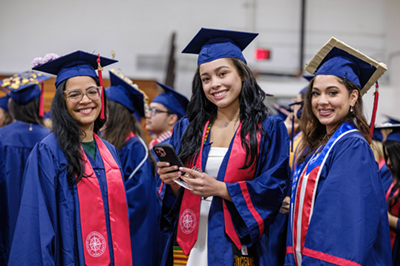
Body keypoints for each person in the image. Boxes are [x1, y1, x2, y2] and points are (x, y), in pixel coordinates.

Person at [157, 28, 290, 266]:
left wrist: (220, 189)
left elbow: (273, 190)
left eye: (222, 73)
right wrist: (171, 182)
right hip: (189, 242)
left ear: (243, 75)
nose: (214, 84)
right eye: (206, 79)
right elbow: (177, 197)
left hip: (236, 243)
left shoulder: (268, 129)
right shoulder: (188, 128)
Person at [8, 50, 132, 265]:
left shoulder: (110, 151)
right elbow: (35, 228)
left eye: (92, 92)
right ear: (61, 102)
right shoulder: (47, 152)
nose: (86, 100)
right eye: (75, 94)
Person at [285, 37, 391, 265]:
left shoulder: (351, 146)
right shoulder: (320, 145)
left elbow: (341, 224)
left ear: (353, 97)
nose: (321, 101)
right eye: (315, 93)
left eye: (332, 93)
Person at [102, 69, 166, 266]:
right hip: (115, 229)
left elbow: (135, 199)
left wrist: (102, 214)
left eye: (104, 110)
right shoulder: (110, 145)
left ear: (115, 113)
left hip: (132, 232)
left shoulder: (135, 148)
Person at [0, 71, 52, 263]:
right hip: (40, 216)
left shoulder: (2, 136)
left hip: (6, 213)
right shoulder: (50, 139)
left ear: (12, 106)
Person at [377, 123, 400, 265]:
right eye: (386, 157)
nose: (389, 163)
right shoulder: (394, 179)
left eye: (392, 157)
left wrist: (388, 218)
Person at [146, 82, 189, 149]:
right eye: (149, 109)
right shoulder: (155, 144)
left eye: (154, 111)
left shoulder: (171, 147)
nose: (147, 115)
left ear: (171, 118)